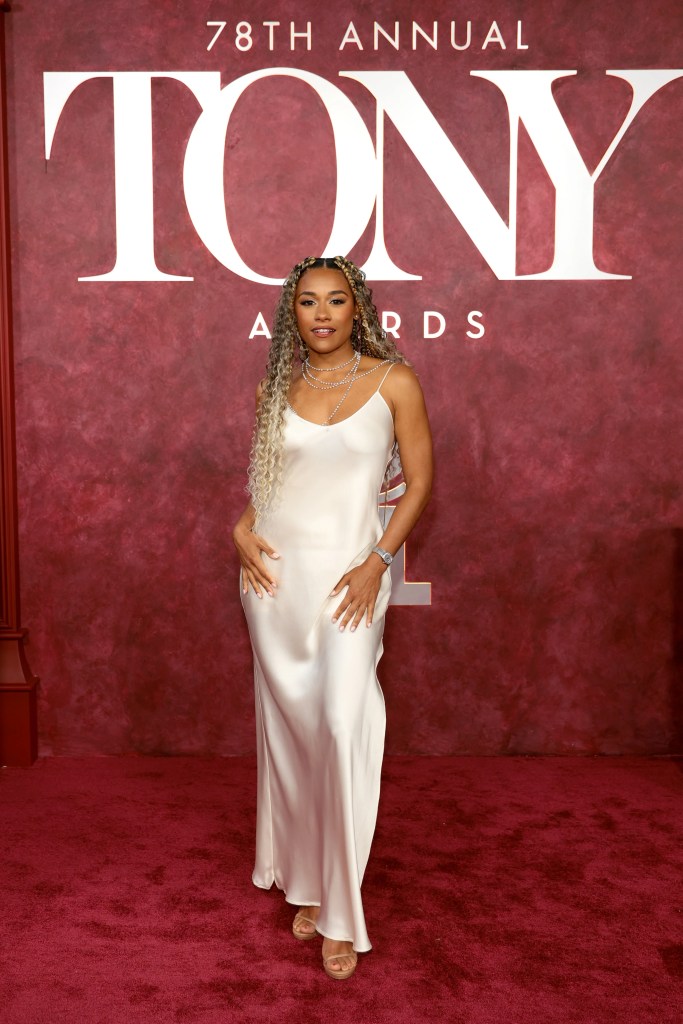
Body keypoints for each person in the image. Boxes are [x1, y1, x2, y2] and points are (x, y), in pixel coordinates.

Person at [233, 255, 432, 979]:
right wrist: (240, 528)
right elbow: (270, 484)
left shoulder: (394, 381)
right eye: (308, 301)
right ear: (293, 313)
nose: (322, 313)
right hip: (275, 578)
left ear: (358, 309)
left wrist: (377, 561)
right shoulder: (275, 388)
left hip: (352, 577)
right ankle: (309, 879)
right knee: (295, 736)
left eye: (336, 300)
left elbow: (418, 483)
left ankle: (342, 915)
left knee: (344, 725)